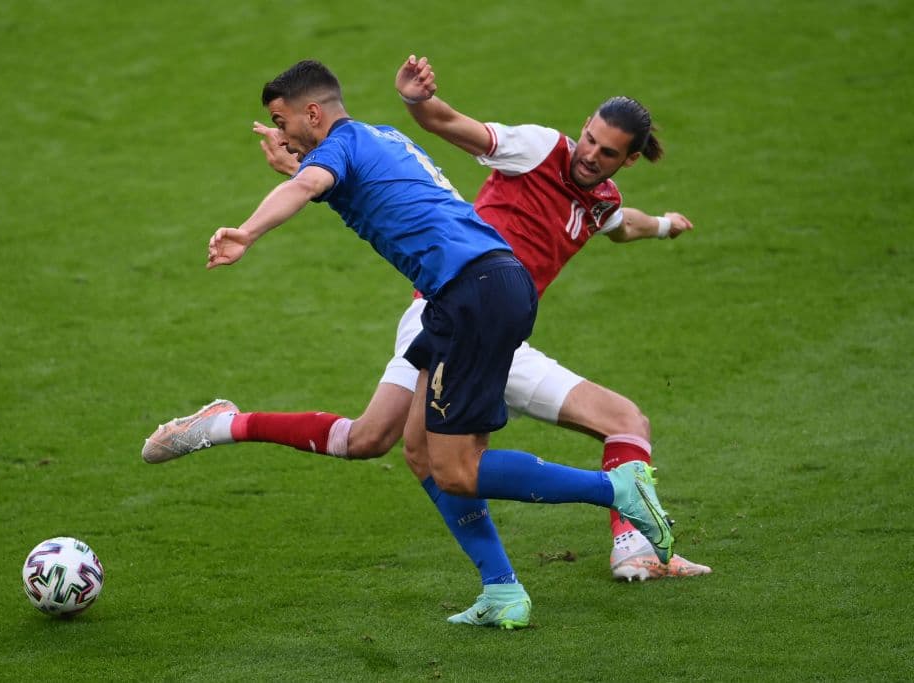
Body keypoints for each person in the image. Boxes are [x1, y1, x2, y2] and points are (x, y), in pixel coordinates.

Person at [144, 58, 676, 630]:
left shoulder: (345, 152)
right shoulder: (382, 138)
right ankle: (502, 591)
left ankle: (615, 489)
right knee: (414, 449)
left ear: (313, 113)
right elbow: (340, 178)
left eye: (281, 120)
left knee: (453, 469)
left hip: (471, 293)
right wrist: (668, 224)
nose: (279, 132)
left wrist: (247, 231)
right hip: (470, 295)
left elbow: (310, 182)